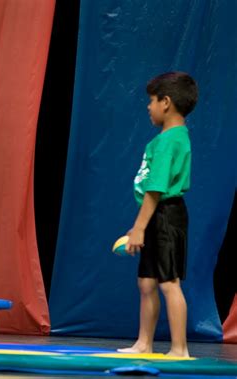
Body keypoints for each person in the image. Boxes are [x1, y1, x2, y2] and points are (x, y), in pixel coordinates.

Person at [119, 72, 198, 357]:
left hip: (167, 215)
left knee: (168, 282)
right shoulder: (165, 139)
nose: (148, 107)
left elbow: (155, 189)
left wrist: (140, 228)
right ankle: (144, 343)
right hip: (155, 215)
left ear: (166, 102)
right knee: (147, 282)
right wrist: (139, 225)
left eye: (151, 101)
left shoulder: (171, 140)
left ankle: (180, 349)